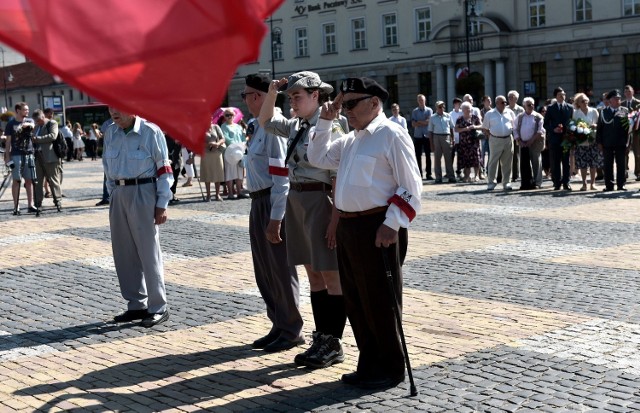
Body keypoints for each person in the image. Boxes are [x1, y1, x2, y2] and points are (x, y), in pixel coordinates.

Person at [307, 77, 422, 390]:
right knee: (356, 301)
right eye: (344, 105)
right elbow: (317, 158)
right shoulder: (351, 138)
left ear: (375, 103)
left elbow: (411, 186)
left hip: (377, 227)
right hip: (349, 226)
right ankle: (369, 362)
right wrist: (326, 120)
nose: (347, 111)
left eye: (352, 104)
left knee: (381, 302)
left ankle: (391, 366)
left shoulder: (391, 135)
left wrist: (392, 223)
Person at [260, 71, 347, 364]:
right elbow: (266, 121)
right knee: (314, 276)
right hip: (297, 201)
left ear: (315, 96)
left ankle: (333, 343)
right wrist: (272, 92)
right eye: (290, 97)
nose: (292, 102)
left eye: (297, 96)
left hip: (320, 200)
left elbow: (337, 177)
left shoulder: (331, 127)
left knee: (331, 275)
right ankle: (321, 336)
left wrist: (335, 219)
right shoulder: (297, 125)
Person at [242, 73, 305, 355]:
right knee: (265, 270)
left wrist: (276, 217)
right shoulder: (257, 126)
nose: (244, 100)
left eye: (246, 95)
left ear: (258, 96)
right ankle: (278, 324)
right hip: (258, 200)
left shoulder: (273, 128)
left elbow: (282, 176)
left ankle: (291, 328)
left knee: (280, 268)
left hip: (271, 200)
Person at [103, 107, 174, 327]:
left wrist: (162, 203)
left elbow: (164, 169)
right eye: (110, 107)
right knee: (124, 252)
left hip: (143, 192)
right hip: (119, 193)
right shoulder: (110, 132)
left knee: (148, 252)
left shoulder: (151, 132)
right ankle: (136, 304)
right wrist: (112, 192)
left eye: (119, 107)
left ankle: (158, 306)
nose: (114, 112)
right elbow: (107, 167)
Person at [3, 102, 36, 215]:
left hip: (29, 153)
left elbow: (32, 127)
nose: (27, 111)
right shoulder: (10, 124)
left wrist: (25, 125)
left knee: (29, 180)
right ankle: (16, 206)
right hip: (16, 154)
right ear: (18, 110)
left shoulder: (30, 121)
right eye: (25, 110)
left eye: (27, 110)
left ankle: (30, 204)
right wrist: (7, 157)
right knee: (16, 180)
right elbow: (8, 142)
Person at [597, 89, 630, 191]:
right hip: (607, 143)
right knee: (608, 165)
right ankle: (609, 185)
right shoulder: (603, 112)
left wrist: (628, 143)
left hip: (621, 142)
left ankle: (621, 184)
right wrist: (599, 142)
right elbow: (600, 129)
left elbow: (628, 129)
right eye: (616, 99)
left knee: (621, 165)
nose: (618, 100)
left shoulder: (624, 111)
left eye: (619, 99)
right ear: (610, 100)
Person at [482, 95, 516, 191]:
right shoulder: (489, 114)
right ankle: (491, 182)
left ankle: (506, 183)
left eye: (505, 102)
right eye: (502, 102)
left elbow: (514, 126)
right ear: (496, 103)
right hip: (495, 139)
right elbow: (485, 128)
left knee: (507, 162)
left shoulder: (510, 112)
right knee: (493, 161)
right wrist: (491, 136)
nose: (505, 104)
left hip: (508, 139)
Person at [32, 109, 62, 210]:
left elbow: (53, 136)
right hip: (38, 156)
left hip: (50, 156)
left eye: (39, 120)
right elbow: (32, 137)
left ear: (43, 117)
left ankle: (58, 201)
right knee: (38, 181)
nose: (37, 123)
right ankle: (37, 202)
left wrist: (38, 139)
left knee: (53, 180)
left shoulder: (52, 123)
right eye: (36, 121)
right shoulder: (36, 127)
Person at [544, 87, 574, 191]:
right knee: (555, 162)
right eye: (560, 95)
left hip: (566, 138)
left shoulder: (570, 107)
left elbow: (572, 121)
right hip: (555, 139)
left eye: (564, 95)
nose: (563, 96)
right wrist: (553, 129)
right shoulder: (551, 108)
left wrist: (570, 131)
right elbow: (546, 123)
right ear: (556, 96)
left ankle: (566, 182)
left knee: (566, 162)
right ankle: (557, 183)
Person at [513, 97, 545, 190]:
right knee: (525, 164)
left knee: (536, 162)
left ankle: (537, 182)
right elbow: (514, 129)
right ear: (524, 106)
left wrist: (531, 140)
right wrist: (519, 140)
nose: (531, 106)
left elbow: (540, 131)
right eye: (529, 105)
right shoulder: (520, 116)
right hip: (523, 143)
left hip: (535, 142)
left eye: (532, 104)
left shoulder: (538, 116)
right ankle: (526, 182)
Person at [572, 93, 601, 191]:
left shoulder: (594, 111)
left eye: (586, 100)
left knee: (593, 163)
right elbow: (573, 127)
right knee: (583, 163)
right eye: (582, 101)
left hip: (592, 140)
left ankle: (592, 184)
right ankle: (584, 183)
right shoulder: (576, 113)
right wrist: (579, 129)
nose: (585, 102)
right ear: (578, 103)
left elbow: (599, 124)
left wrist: (595, 126)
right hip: (581, 142)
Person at [453, 102, 482, 182]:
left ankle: (476, 176)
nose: (468, 110)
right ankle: (467, 176)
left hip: (474, 142)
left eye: (469, 108)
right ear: (462, 110)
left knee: (476, 159)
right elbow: (456, 129)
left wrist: (474, 127)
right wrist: (465, 129)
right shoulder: (459, 119)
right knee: (466, 160)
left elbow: (482, 126)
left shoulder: (475, 117)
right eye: (466, 109)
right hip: (464, 143)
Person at [221, 108, 246, 199]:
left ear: (234, 116)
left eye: (230, 115)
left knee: (239, 173)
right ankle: (230, 193)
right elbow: (226, 138)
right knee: (230, 173)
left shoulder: (239, 127)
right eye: (227, 115)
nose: (229, 117)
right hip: (229, 152)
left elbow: (243, 138)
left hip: (239, 151)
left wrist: (243, 144)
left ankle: (239, 192)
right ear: (224, 117)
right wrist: (235, 144)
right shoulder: (223, 126)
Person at [428, 100, 455, 183]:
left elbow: (451, 128)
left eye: (443, 106)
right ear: (436, 108)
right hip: (436, 137)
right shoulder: (432, 117)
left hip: (446, 136)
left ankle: (451, 176)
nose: (442, 108)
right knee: (437, 158)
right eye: (440, 107)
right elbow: (430, 131)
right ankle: (438, 177)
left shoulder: (448, 116)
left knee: (448, 158)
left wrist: (452, 139)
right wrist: (431, 144)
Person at [200, 122, 225, 201]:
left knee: (218, 173)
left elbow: (223, 138)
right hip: (206, 153)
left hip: (217, 152)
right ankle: (208, 195)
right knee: (207, 173)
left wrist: (217, 143)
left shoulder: (216, 127)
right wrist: (208, 144)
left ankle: (217, 194)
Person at [410, 94, 433, 180]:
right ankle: (419, 173)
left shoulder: (429, 110)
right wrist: (423, 121)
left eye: (422, 100)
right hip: (418, 135)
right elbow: (413, 124)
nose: (421, 102)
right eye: (419, 100)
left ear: (425, 100)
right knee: (418, 155)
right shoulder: (415, 111)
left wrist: (418, 122)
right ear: (417, 101)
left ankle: (429, 174)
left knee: (428, 155)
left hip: (426, 135)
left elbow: (429, 122)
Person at [622, 85, 640, 180]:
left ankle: (638, 172)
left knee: (637, 153)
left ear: (633, 92)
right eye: (626, 92)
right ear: (624, 93)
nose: (628, 93)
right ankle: (625, 171)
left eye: (629, 91)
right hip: (625, 133)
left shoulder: (638, 103)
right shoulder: (622, 104)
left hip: (636, 132)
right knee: (625, 152)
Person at [507, 90, 525, 182]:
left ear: (516, 99)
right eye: (509, 97)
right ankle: (505, 175)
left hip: (517, 134)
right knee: (507, 155)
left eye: (512, 97)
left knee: (516, 155)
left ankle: (515, 175)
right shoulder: (505, 109)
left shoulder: (521, 109)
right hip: (507, 134)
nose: (510, 98)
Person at [449, 97, 463, 179]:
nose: (459, 105)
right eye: (458, 103)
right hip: (453, 137)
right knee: (452, 155)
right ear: (454, 104)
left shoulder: (462, 113)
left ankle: (459, 171)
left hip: (461, 137)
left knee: (460, 155)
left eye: (460, 104)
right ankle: (450, 171)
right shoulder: (451, 114)